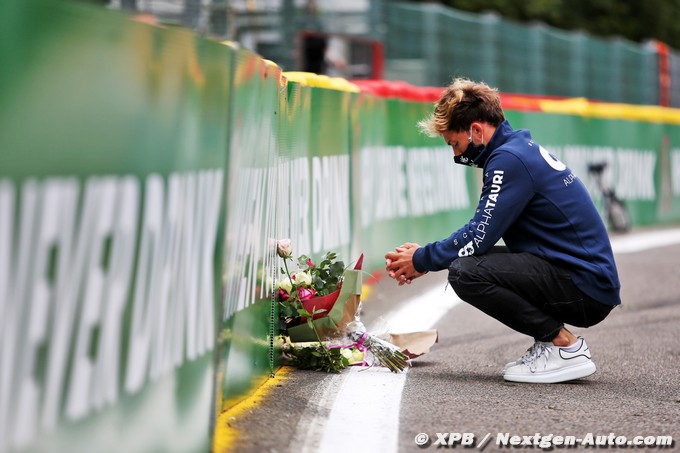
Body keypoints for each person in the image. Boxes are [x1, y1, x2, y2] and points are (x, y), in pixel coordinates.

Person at [385, 78, 621, 384]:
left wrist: (421, 259)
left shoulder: (509, 159)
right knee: (472, 266)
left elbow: (478, 236)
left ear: (477, 131)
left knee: (465, 272)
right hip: (581, 278)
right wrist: (424, 258)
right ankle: (551, 343)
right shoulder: (516, 150)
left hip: (585, 286)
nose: (457, 155)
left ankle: (563, 346)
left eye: (455, 144)